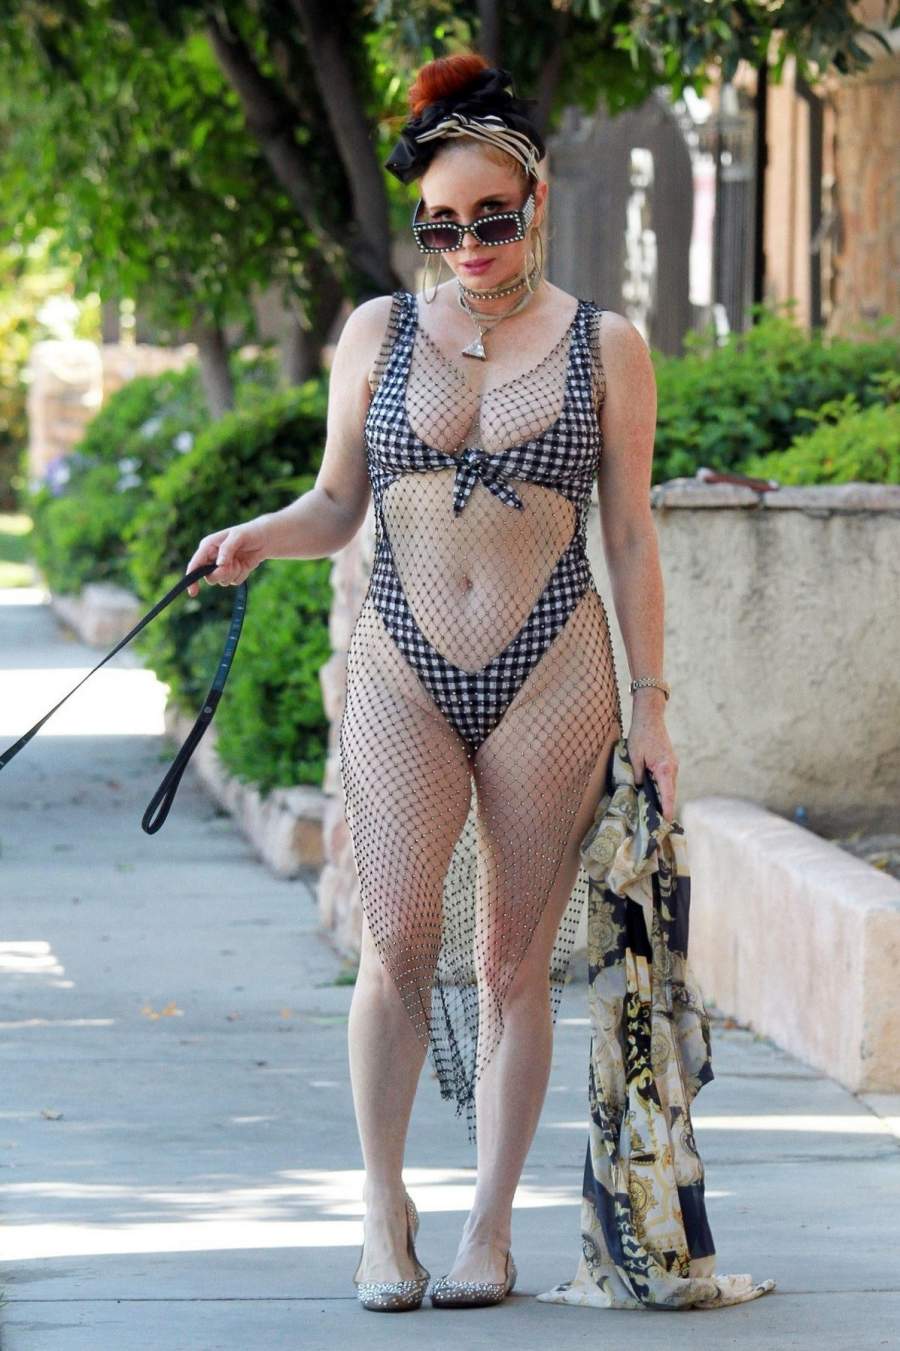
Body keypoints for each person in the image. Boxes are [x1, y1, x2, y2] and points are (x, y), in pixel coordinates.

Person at [185, 52, 677, 1312]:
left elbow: (630, 537)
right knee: (395, 940)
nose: (468, 247)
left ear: (536, 199)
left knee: (514, 963)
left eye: (490, 219)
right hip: (402, 658)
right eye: (441, 225)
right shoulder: (378, 331)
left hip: (554, 667)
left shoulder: (608, 345)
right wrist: (255, 538)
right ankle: (381, 1209)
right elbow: (337, 501)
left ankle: (488, 1229)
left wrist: (653, 709)